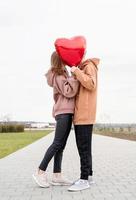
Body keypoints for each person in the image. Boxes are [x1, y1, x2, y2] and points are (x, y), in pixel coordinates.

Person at [32, 51, 79, 188]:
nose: (66, 59)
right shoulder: (58, 75)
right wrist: (75, 76)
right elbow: (68, 91)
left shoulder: (62, 73)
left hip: (66, 112)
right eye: (64, 58)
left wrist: (70, 75)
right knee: (57, 143)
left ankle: (57, 175)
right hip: (63, 112)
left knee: (61, 146)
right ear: (59, 60)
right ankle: (40, 172)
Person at [68, 57, 100, 191]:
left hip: (84, 115)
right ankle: (89, 176)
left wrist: (76, 71)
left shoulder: (89, 66)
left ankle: (84, 179)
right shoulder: (84, 67)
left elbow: (92, 84)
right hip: (82, 115)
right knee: (86, 149)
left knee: (83, 149)